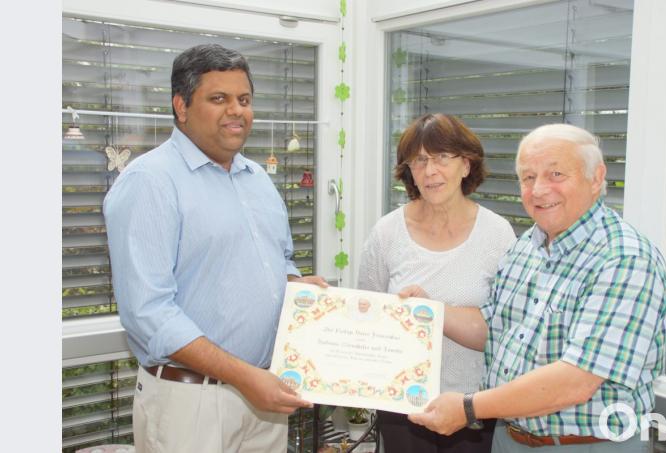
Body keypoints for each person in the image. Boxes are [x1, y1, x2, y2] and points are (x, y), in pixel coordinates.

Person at [104, 44, 327, 453]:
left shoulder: (256, 178)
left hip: (264, 393)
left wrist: (296, 287)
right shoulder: (149, 183)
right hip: (190, 404)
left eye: (243, 99)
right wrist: (245, 377)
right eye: (218, 98)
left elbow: (280, 260)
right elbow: (149, 313)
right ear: (181, 106)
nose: (236, 110)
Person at [409, 123, 666, 452]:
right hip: (510, 439)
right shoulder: (525, 247)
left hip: (587, 445)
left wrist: (468, 408)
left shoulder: (625, 260)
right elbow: (492, 328)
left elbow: (575, 381)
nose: (539, 190)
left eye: (556, 174)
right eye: (528, 178)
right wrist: (429, 311)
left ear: (596, 177)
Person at [358, 113, 516, 453]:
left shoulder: (497, 234)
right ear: (409, 171)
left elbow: (506, 330)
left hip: (473, 407)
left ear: (466, 164)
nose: (430, 171)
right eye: (420, 161)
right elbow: (366, 321)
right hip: (402, 408)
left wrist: (432, 311)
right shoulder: (386, 233)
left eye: (443, 157)